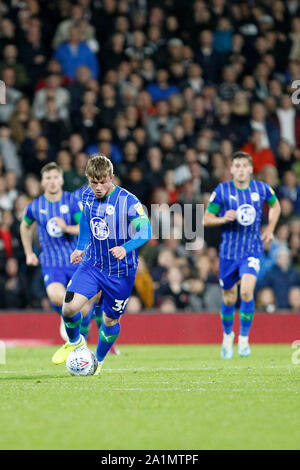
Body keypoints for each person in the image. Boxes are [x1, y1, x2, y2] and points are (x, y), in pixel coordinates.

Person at [51, 154, 152, 375]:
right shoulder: (87, 195)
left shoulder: (129, 201)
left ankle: (98, 360)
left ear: (112, 178)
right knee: (69, 307)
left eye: (102, 182)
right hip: (93, 264)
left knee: (109, 319)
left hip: (120, 270)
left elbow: (146, 231)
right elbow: (86, 221)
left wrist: (126, 247)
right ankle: (76, 342)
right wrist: (80, 247)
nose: (97, 187)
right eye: (93, 182)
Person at [204, 151, 281, 359]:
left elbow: (276, 205)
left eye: (243, 166)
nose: (240, 169)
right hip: (228, 252)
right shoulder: (222, 190)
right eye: (236, 166)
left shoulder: (261, 188)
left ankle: (245, 338)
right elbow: (206, 219)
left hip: (252, 249)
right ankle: (228, 335)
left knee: (247, 292)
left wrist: (271, 228)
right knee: (229, 299)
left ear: (250, 169)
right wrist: (222, 218)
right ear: (231, 169)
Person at [20, 162, 93, 340]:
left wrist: (66, 228)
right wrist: (29, 253)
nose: (52, 181)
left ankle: (78, 336)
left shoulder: (72, 202)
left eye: (55, 177)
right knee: (56, 297)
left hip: (76, 261)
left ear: (61, 180)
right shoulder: (35, 206)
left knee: (83, 308)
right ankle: (67, 317)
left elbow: (84, 228)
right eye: (48, 178)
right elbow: (24, 226)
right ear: (42, 182)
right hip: (52, 263)